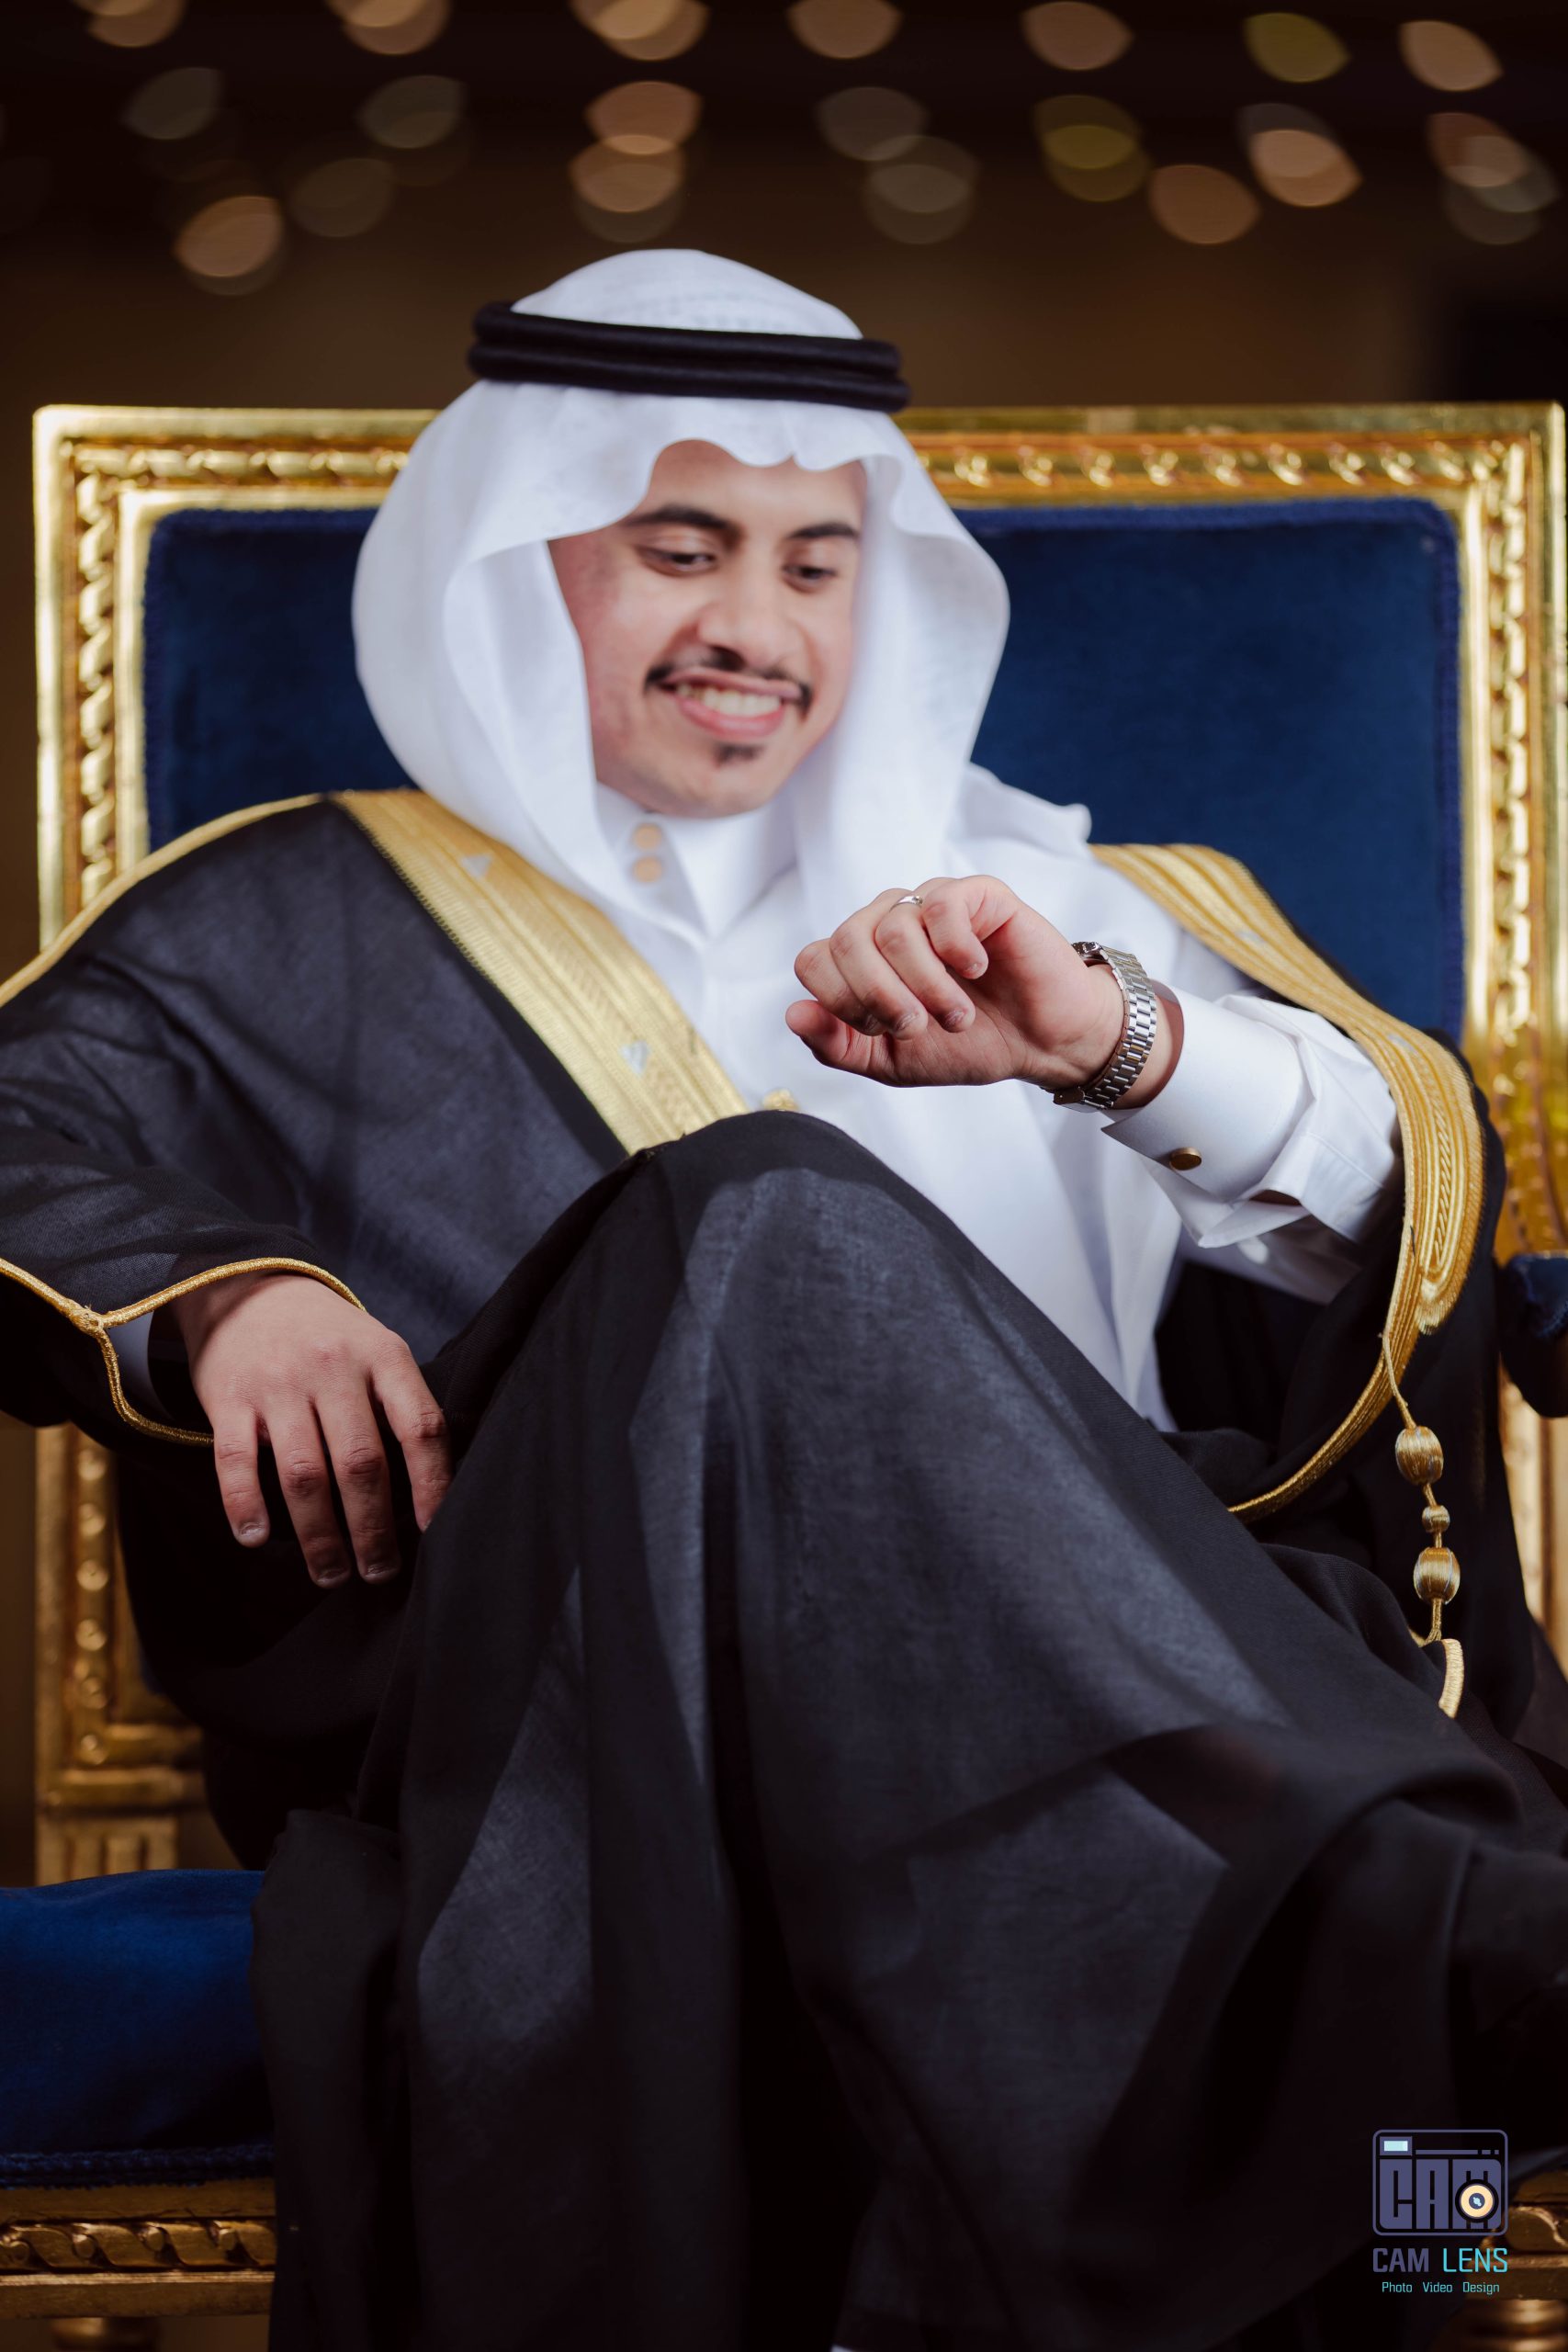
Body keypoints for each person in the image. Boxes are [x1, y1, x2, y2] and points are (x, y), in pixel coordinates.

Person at [3, 251, 1568, 2350]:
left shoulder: (1073, 907)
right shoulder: (274, 923)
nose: (758, 624)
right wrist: (221, 1289)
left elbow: (1403, 1217)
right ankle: (1464, 1936)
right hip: (570, 1710)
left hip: (1139, 1698)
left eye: (817, 562)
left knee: (821, 1261)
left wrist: (1114, 1048)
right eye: (680, 547)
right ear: (509, 564)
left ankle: (1397, 1970)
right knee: (755, 1208)